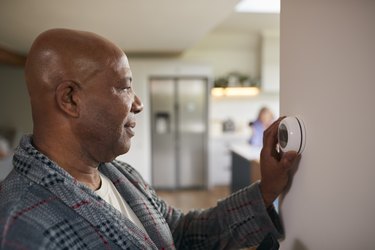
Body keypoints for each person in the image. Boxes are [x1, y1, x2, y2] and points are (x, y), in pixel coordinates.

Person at [0, 28, 298, 249]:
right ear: (70, 99)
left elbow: (182, 233)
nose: (138, 104)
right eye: (124, 87)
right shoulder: (21, 227)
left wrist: (266, 190)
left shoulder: (119, 174)